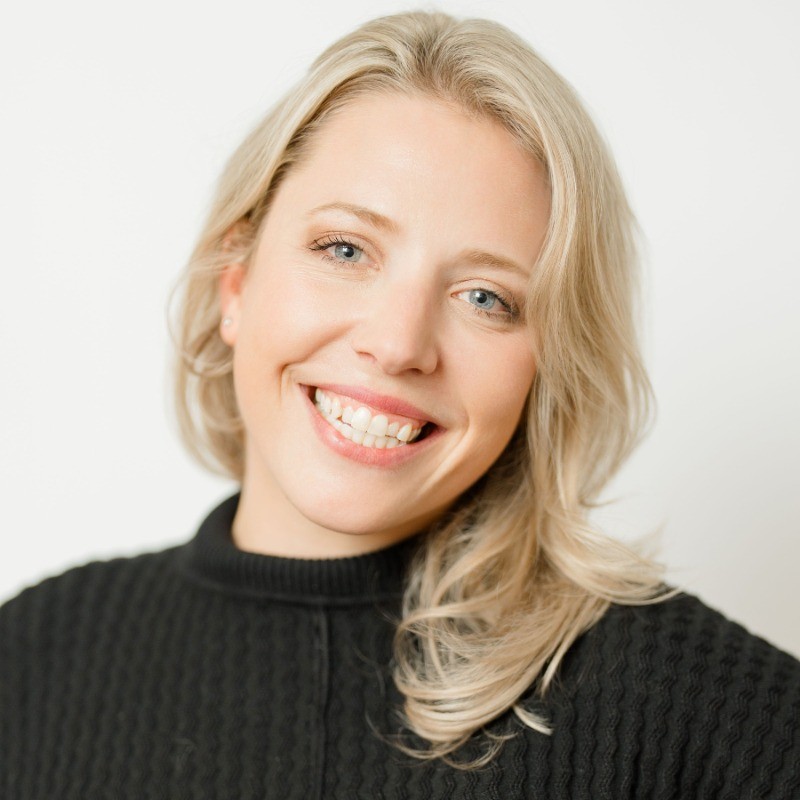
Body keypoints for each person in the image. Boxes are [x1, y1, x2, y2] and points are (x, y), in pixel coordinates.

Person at [1, 10, 797, 799]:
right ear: (235, 284)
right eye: (345, 249)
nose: (397, 344)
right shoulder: (31, 656)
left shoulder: (705, 713)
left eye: (486, 297)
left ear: (549, 362)